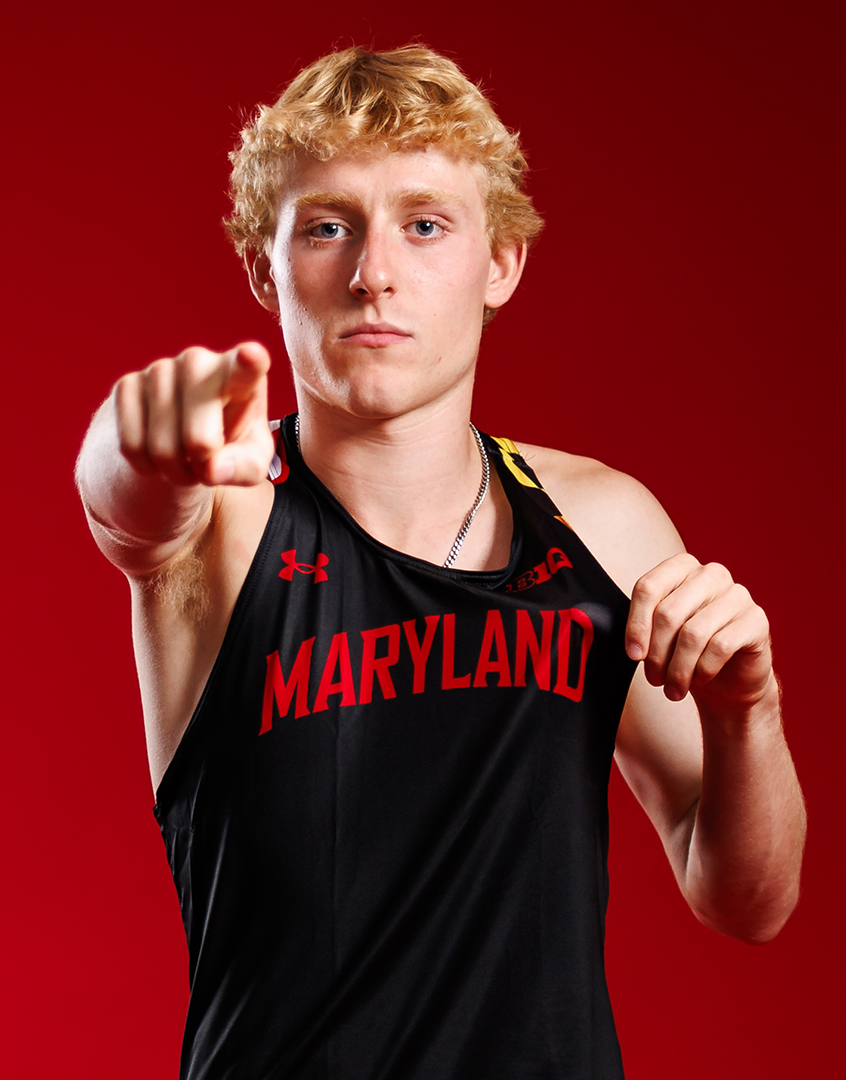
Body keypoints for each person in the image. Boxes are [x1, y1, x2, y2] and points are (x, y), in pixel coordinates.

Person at [75, 44, 805, 1080]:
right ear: (263, 267)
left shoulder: (601, 524)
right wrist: (134, 440)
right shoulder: (225, 519)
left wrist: (748, 715)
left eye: (425, 225)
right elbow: (129, 505)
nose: (375, 271)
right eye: (328, 227)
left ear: (499, 262)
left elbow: (749, 899)